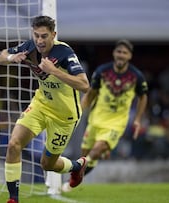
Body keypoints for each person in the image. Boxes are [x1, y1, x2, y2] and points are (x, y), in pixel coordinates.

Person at [0, 15, 90, 203]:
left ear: (53, 35)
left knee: (47, 164)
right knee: (14, 144)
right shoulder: (30, 46)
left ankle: (76, 166)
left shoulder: (65, 53)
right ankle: (13, 199)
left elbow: (84, 84)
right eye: (36, 35)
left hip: (64, 116)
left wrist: (54, 71)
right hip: (40, 105)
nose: (39, 41)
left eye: (44, 36)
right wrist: (11, 57)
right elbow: (1, 56)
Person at [62, 39, 148, 192]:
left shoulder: (136, 76)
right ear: (114, 53)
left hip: (116, 123)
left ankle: (70, 180)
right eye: (119, 52)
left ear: (130, 56)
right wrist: (79, 111)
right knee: (87, 155)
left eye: (125, 53)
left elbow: (143, 96)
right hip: (96, 120)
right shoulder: (102, 71)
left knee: (96, 149)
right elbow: (91, 94)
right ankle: (87, 166)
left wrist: (137, 119)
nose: (121, 55)